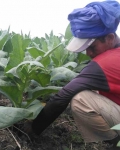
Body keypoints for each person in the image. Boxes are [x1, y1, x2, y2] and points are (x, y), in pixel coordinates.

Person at [25, 1, 120, 150]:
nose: (88, 53)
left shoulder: (105, 62)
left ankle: (116, 144)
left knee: (80, 99)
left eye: (92, 47)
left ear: (109, 38)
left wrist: (33, 130)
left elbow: (62, 97)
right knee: (92, 90)